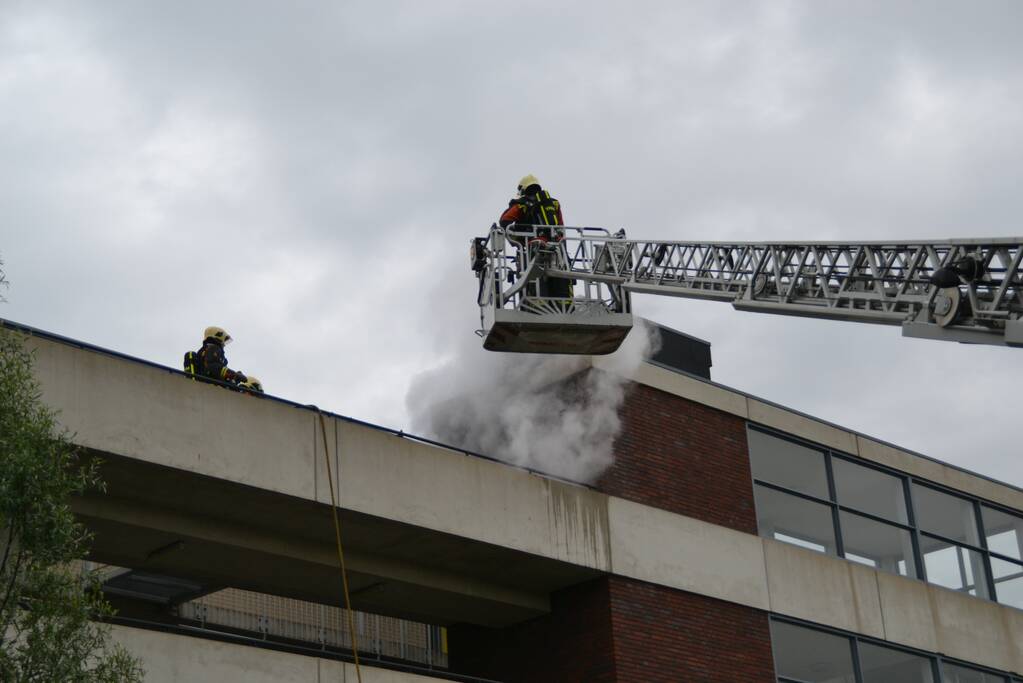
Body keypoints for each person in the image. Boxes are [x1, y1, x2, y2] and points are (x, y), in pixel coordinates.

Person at [498, 174, 571, 298]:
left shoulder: (522, 205)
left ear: (523, 189)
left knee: (535, 279)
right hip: (558, 249)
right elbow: (561, 228)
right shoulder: (554, 203)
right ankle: (564, 304)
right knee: (561, 280)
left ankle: (536, 304)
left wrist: (519, 240)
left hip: (535, 248)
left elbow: (504, 221)